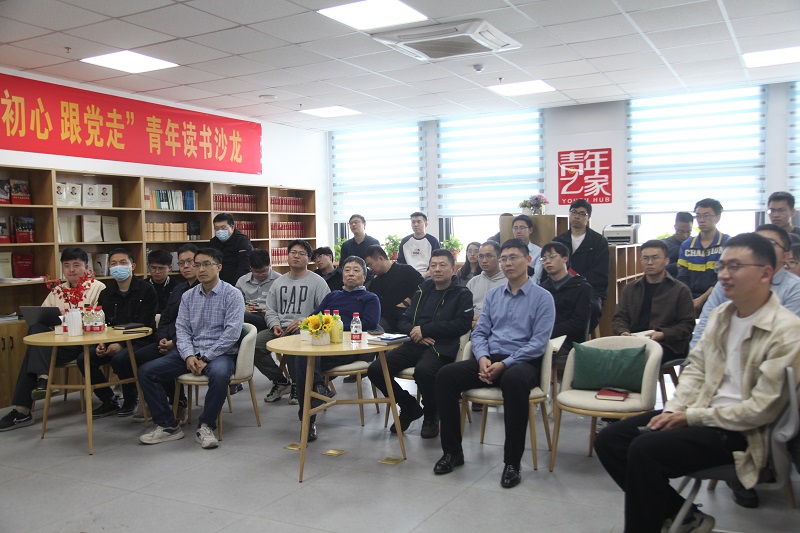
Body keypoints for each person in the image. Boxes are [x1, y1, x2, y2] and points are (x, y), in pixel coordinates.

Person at [594, 232, 800, 533]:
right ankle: (686, 516)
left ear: (765, 273)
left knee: (643, 449)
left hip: (740, 431)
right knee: (610, 440)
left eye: (735, 267)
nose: (724, 275)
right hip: (699, 412)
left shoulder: (787, 331)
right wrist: (674, 409)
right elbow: (696, 369)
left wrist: (690, 417)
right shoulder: (722, 315)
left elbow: (761, 410)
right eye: (722, 266)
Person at [433, 238, 556, 488]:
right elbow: (480, 333)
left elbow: (538, 342)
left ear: (528, 260)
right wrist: (482, 358)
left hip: (523, 362)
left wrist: (505, 364)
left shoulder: (543, 298)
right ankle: (452, 452)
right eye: (504, 259)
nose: (507, 263)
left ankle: (512, 463)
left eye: (513, 258)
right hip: (490, 359)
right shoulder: (493, 296)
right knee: (446, 375)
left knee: (513, 381)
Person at [138, 247, 245, 449]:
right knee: (146, 371)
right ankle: (168, 425)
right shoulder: (188, 296)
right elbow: (182, 330)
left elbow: (231, 334)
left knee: (220, 375)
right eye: (197, 265)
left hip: (219, 352)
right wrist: (188, 355)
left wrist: (206, 358)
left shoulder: (232, 295)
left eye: (206, 264)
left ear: (219, 267)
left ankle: (206, 425)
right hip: (190, 352)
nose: (201, 269)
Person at [367, 249, 473, 439]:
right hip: (415, 342)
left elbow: (462, 324)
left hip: (440, 346)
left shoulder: (462, 294)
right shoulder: (422, 291)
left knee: (424, 372)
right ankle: (409, 406)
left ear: (453, 269)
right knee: (376, 369)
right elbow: (404, 320)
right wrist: (416, 332)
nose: (437, 269)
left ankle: (431, 415)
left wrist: (426, 330)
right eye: (433, 265)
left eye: (442, 265)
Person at [0, 248, 106, 431]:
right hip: (59, 343)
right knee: (35, 329)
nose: (71, 270)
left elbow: (99, 319)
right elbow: (42, 316)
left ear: (86, 266)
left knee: (33, 353)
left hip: (83, 343)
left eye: (76, 265)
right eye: (66, 265)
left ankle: (23, 408)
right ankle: (41, 380)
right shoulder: (58, 290)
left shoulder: (98, 287)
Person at [295, 256, 380, 441]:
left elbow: (369, 324)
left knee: (305, 364)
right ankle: (318, 388)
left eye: (356, 270)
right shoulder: (333, 296)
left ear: (364, 276)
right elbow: (313, 317)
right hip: (325, 348)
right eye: (347, 270)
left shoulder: (370, 298)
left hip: (351, 349)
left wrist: (335, 325)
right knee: (303, 358)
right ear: (342, 275)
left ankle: (307, 418)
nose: (351, 274)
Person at [691, 224, 800, 352]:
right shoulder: (725, 285)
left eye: (770, 243)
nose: (759, 248)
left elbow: (784, 342)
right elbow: (704, 326)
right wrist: (693, 358)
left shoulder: (795, 288)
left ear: (785, 256)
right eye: (755, 243)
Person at [77, 248, 158, 418]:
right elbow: (102, 322)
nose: (118, 267)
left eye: (123, 263)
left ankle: (131, 399)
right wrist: (101, 343)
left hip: (141, 341)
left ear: (132, 266)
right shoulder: (106, 293)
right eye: (113, 263)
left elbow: (145, 323)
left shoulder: (146, 290)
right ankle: (108, 400)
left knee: (121, 359)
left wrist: (121, 344)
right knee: (84, 358)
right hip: (110, 342)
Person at [132, 244, 199, 424]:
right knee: (137, 356)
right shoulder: (179, 289)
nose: (186, 266)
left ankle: (179, 402)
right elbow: (165, 318)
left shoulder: (203, 289)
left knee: (162, 362)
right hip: (167, 340)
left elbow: (196, 327)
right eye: (182, 263)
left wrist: (173, 343)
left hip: (188, 345)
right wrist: (162, 338)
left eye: (190, 262)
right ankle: (154, 401)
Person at [257, 240, 330, 405]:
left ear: (309, 259)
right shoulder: (278, 282)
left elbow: (325, 311)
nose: (296, 256)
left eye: (301, 254)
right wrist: (274, 324)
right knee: (255, 344)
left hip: (305, 329)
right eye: (293, 253)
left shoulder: (318, 282)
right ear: (287, 256)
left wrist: (304, 322)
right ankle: (281, 381)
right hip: (280, 328)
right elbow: (270, 309)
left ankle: (298, 385)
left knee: (293, 340)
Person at [612, 240, 695, 364]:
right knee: (606, 355)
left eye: (655, 258)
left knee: (637, 358)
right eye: (645, 258)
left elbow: (687, 325)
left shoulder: (680, 290)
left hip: (668, 344)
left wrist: (663, 334)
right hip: (635, 341)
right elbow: (619, 317)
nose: (650, 262)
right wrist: (623, 332)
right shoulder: (630, 288)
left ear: (666, 261)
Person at [553, 199, 609, 331]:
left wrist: (576, 283)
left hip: (590, 290)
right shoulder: (559, 240)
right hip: (562, 289)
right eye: (573, 212)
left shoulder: (598, 241)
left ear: (588, 217)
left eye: (582, 213)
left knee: (589, 308)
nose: (576, 216)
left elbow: (599, 274)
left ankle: (580, 339)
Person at [539, 241, 592, 360]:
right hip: (543, 337)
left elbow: (579, 323)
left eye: (552, 256)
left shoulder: (581, 287)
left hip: (568, 341)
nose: (547, 261)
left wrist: (548, 332)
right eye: (543, 259)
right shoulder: (541, 289)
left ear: (565, 258)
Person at [677, 198, 729, 315]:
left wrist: (702, 299)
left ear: (718, 218)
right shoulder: (687, 245)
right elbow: (682, 277)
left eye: (706, 216)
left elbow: (722, 279)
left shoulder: (727, 243)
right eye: (698, 216)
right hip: (690, 300)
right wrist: (689, 300)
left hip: (719, 300)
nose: (701, 220)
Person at [364, 245, 423, 333]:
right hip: (386, 323)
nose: (370, 269)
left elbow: (422, 286)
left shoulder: (405, 270)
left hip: (407, 321)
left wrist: (407, 301)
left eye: (370, 265)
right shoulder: (375, 282)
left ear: (381, 259)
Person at [235, 248, 280, 332]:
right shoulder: (242, 281)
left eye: (264, 271)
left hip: (270, 317)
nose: (260, 274)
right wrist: (244, 308)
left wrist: (271, 310)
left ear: (269, 265)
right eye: (256, 271)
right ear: (250, 268)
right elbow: (235, 303)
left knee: (240, 316)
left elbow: (284, 305)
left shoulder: (279, 280)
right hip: (249, 315)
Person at [466, 240, 506, 330]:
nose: (484, 260)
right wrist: (470, 316)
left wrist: (484, 320)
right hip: (473, 327)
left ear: (499, 257)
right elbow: (464, 309)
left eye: (489, 256)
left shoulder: (508, 282)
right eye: (480, 256)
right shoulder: (473, 282)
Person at [209, 212, 253, 286]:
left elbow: (244, 267)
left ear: (232, 227)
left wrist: (233, 287)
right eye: (216, 229)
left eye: (223, 228)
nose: (219, 231)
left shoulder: (242, 241)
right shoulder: (213, 242)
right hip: (218, 283)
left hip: (238, 283)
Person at [397, 212, 440, 277]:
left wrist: (425, 275)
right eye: (413, 222)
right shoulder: (405, 241)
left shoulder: (433, 241)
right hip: (408, 275)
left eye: (419, 222)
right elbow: (400, 262)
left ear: (426, 224)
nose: (416, 224)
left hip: (428, 276)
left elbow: (437, 262)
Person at [512, 215, 544, 284]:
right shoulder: (507, 251)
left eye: (522, 228)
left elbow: (537, 277)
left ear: (530, 230)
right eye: (515, 228)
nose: (518, 231)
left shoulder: (538, 252)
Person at [663, 212, 694, 277]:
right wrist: (678, 265)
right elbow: (658, 268)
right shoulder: (664, 245)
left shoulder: (695, 244)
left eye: (688, 232)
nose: (685, 235)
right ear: (675, 227)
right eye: (681, 231)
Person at [146, 249, 175, 313]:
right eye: (153, 268)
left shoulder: (177, 287)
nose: (157, 272)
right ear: (148, 267)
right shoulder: (142, 286)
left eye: (161, 268)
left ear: (170, 268)